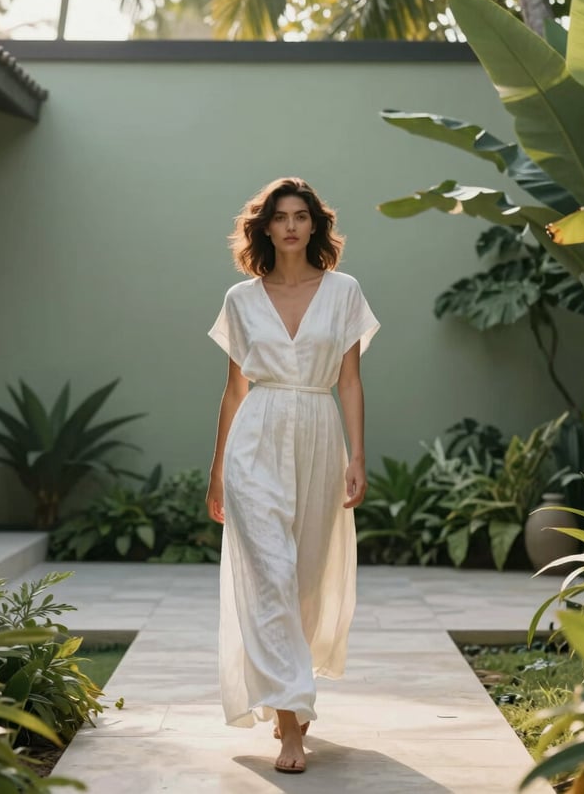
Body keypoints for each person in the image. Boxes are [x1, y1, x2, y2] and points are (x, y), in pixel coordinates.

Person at [206, 176, 379, 774]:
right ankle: (289, 729)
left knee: (305, 577)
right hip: (256, 436)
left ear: (315, 225)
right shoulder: (240, 299)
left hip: (317, 431)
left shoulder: (345, 292)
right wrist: (217, 471)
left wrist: (357, 455)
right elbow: (233, 391)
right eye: (279, 216)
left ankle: (292, 694)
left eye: (300, 215)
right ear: (264, 226)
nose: (290, 226)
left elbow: (350, 380)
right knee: (272, 575)